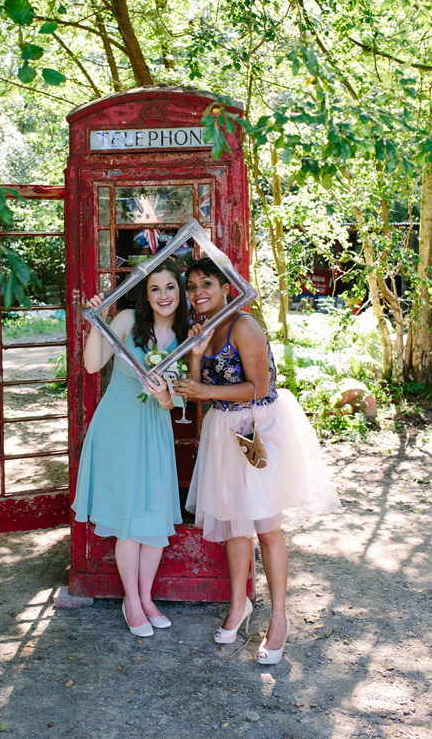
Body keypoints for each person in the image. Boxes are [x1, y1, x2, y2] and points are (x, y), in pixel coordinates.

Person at [172, 256, 340, 665]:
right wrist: (195, 353)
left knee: (266, 528)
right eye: (192, 286)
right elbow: (197, 387)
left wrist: (206, 393)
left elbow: (259, 387)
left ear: (227, 288)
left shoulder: (244, 326)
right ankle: (239, 605)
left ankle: (279, 617)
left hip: (259, 428)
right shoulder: (202, 329)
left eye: (206, 283)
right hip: (223, 433)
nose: (198, 293)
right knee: (233, 526)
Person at [72, 264, 189, 637]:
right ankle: (132, 602)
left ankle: (146, 597)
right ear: (146, 294)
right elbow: (92, 365)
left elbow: (177, 404)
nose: (163, 295)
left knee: (154, 517)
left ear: (180, 291)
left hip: (154, 427)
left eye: (170, 287)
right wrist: (97, 322)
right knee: (128, 520)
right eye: (155, 289)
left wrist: (164, 394)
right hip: (119, 425)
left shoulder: (186, 334)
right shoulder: (125, 319)